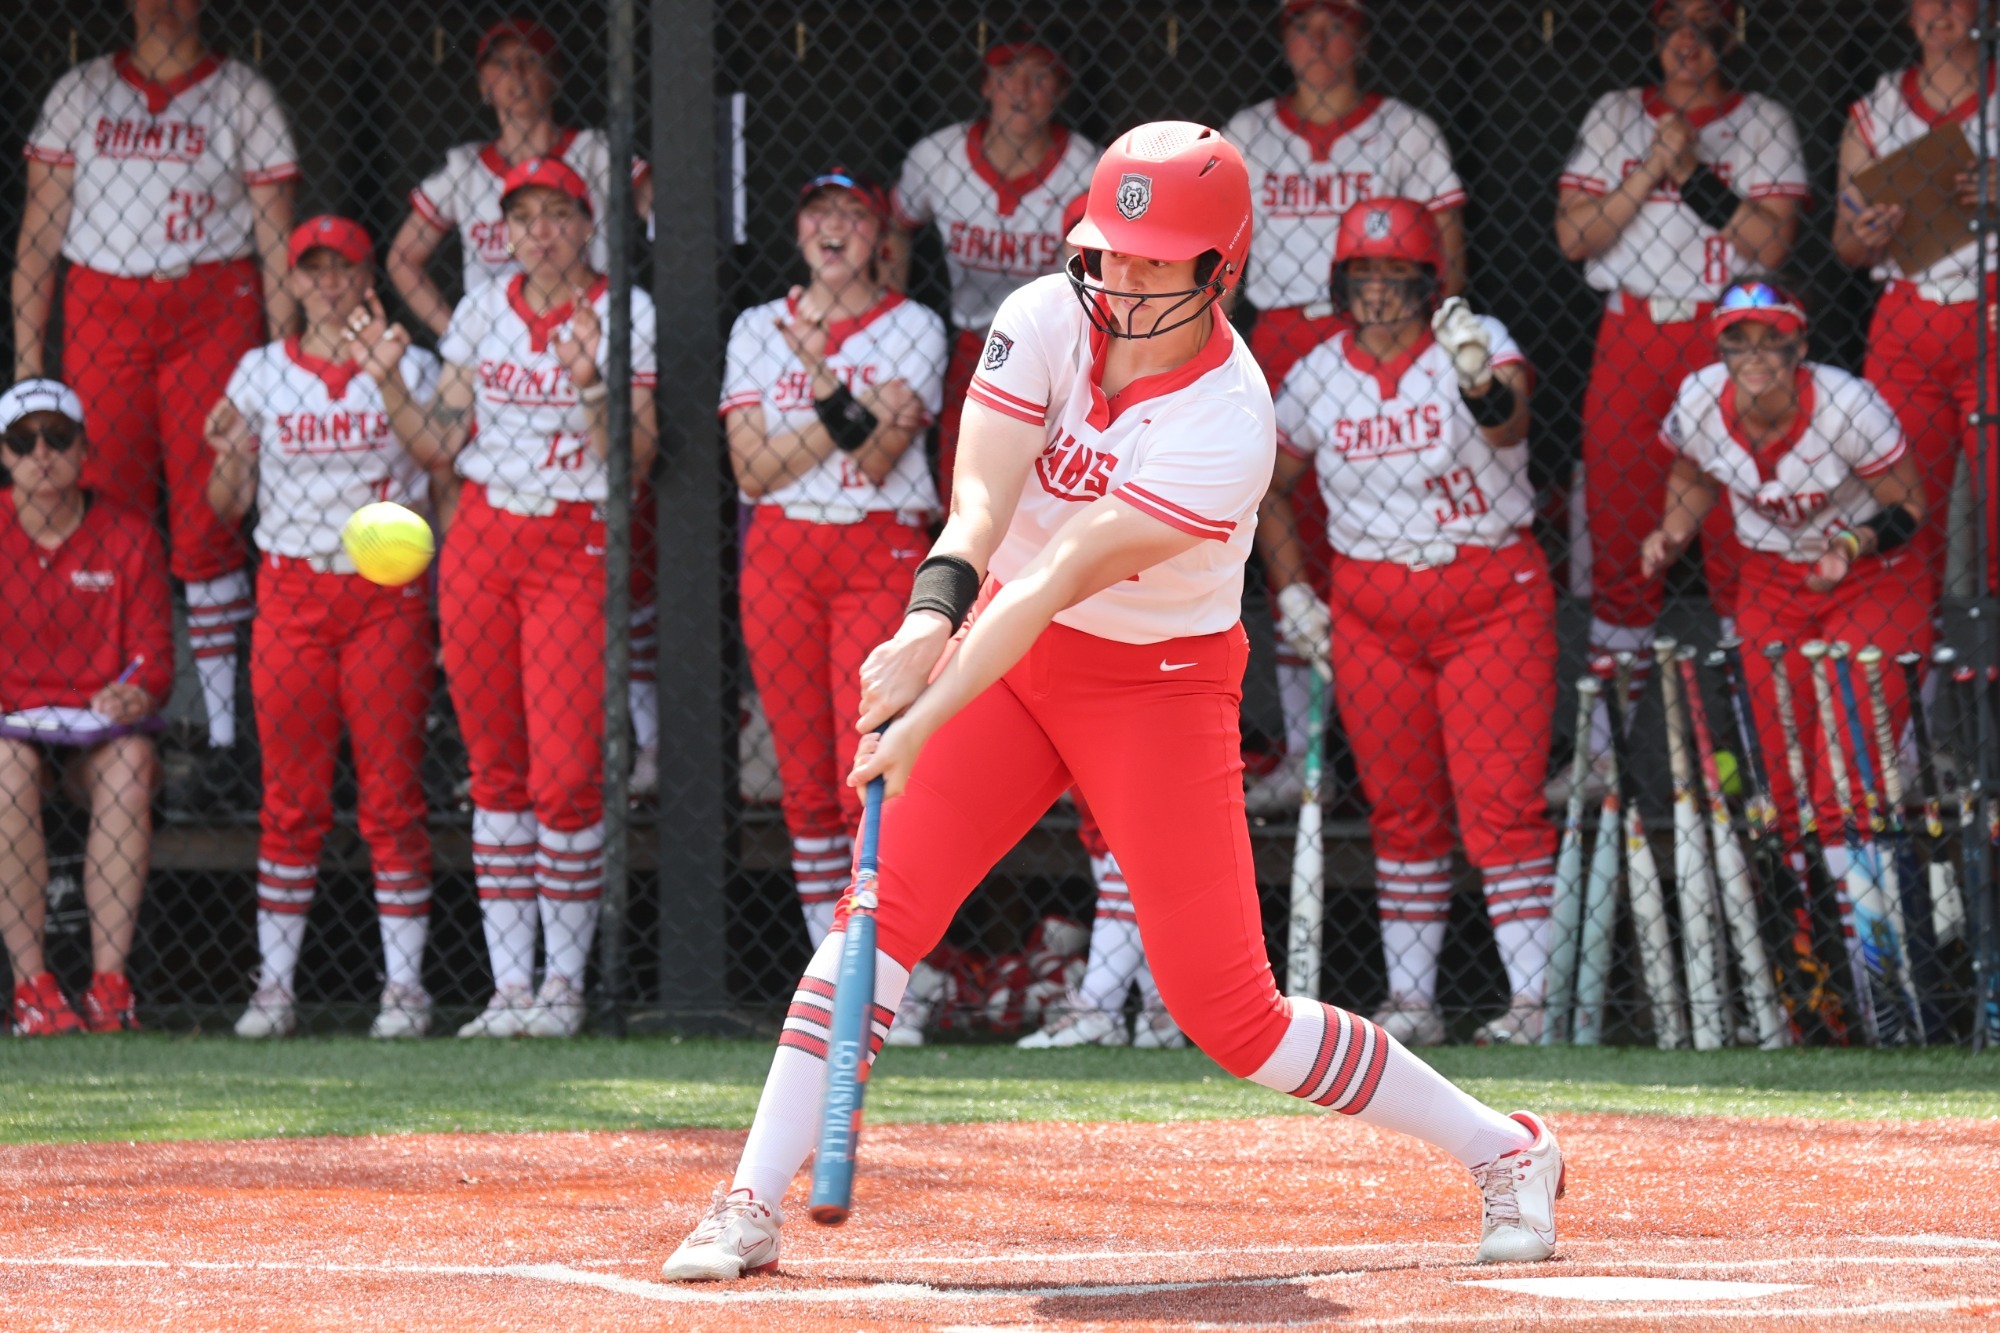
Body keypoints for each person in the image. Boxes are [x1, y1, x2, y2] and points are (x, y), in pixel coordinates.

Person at [662, 122, 1562, 1281]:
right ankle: (747, 1198)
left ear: (1218, 270)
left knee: (1231, 1016)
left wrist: (922, 710)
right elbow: (980, 521)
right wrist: (923, 627)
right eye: (1109, 251)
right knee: (877, 921)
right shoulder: (1041, 319)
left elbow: (1051, 578)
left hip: (1157, 683)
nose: (1121, 278)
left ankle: (1505, 1149)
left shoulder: (1227, 420)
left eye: (1154, 259)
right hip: (1007, 658)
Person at [356, 157, 658, 1039]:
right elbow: (442, 442)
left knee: (565, 773)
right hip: (484, 537)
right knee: (495, 772)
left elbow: (634, 456)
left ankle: (563, 987)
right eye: (522, 217)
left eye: (556, 214)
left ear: (584, 221)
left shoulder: (623, 310)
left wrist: (590, 379)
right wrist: (386, 381)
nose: (539, 232)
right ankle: (509, 990)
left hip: (574, 536)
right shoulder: (485, 307)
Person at [1260, 199, 1552, 1047]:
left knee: (1500, 804)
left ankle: (1530, 1001)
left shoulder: (1475, 333)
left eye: (1395, 276)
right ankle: (1412, 1000)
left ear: (1427, 282)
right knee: (1402, 808)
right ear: (1341, 283)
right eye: (1364, 276)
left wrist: (1478, 382)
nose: (1379, 292)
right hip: (1372, 610)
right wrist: (1292, 593)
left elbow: (1510, 425)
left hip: (1489, 591)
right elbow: (1270, 489)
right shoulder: (1317, 373)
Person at [13, 0, 300, 810]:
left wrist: (282, 360)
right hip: (105, 304)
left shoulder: (242, 93)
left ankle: (221, 737)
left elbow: (277, 239)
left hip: (212, 301)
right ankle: (107, 709)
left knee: (214, 516)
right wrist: (30, 373)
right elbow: (39, 235)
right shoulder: (82, 92)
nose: (165, 5)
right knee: (114, 511)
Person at [388, 17, 663, 793]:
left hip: (589, 343)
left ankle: (639, 730)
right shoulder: (464, 171)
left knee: (630, 557)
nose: (515, 78)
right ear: (481, 82)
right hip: (500, 349)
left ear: (554, 75)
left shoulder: (597, 153)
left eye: (530, 63)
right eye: (500, 66)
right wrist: (463, 337)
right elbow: (403, 255)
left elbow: (664, 211)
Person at [1554, 0, 1807, 795]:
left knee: (1743, 544)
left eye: (1706, 25)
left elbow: (1770, 244)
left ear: (1731, 35)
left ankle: (1761, 756)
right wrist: (1651, 168)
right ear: (1655, 35)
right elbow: (1573, 236)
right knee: (1625, 539)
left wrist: (1694, 174)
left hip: (1733, 340)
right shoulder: (1616, 113)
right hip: (1633, 334)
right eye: (1673, 26)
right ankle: (1601, 755)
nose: (1688, 42)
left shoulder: (1759, 117)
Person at [1228, 0, 1469, 813]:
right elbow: (1222, 255)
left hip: (1378, 328)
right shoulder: (1249, 130)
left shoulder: (1405, 128)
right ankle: (1307, 755)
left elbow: (1448, 253)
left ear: (1362, 37)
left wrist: (1438, 343)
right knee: (1272, 532)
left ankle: (1375, 745)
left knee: (1358, 539)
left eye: (1335, 25)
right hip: (1279, 334)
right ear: (1284, 39)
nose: (1319, 41)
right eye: (1302, 25)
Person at [205, 217, 438, 1041]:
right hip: (292, 594)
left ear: (366, 272)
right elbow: (225, 506)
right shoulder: (261, 372)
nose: (331, 283)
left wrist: (389, 385)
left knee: (390, 798)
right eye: (315, 270)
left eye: (344, 268)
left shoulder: (409, 360)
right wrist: (230, 453)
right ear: (295, 280)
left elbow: (442, 462)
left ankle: (405, 988)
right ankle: (274, 987)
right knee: (291, 799)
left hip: (384, 598)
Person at [722, 169, 945, 948]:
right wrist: (846, 405)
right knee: (804, 780)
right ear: (798, 228)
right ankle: (828, 966)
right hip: (780, 549)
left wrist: (818, 386)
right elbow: (749, 470)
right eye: (820, 209)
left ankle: (877, 961)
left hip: (877, 543)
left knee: (872, 769)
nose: (835, 225)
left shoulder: (914, 323)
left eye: (855, 213)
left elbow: (883, 456)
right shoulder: (756, 325)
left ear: (879, 236)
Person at [1641, 279, 1928, 855]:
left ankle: (1860, 936)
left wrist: (1848, 545)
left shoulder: (1849, 404)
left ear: (1799, 344)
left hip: (1873, 579)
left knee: (1846, 786)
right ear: (1719, 348)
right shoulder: (1699, 398)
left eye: (1771, 340)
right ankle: (1808, 937)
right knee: (1782, 784)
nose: (1754, 356)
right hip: (1771, 582)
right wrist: (1673, 531)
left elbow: (1910, 508)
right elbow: (1692, 474)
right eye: (1738, 341)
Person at [0, 380, 173, 1035]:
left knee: (133, 762)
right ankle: (32, 986)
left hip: (97, 732)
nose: (41, 453)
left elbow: (156, 655)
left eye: (57, 437)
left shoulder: (129, 534)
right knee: (5, 769)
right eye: (23, 440)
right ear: (5, 455)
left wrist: (138, 689)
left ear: (84, 447)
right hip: (13, 727)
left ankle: (109, 984)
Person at [890, 34, 1098, 496]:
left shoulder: (1088, 166)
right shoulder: (936, 157)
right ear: (985, 87)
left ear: (1060, 94)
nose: (1021, 90)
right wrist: (891, 315)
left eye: (1040, 77)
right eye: (1007, 76)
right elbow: (897, 223)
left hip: (1057, 351)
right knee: (963, 485)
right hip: (973, 341)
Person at [1834, 0, 1994, 596]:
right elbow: (1844, 244)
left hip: (1993, 307)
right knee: (1903, 512)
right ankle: (1913, 683)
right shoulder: (1877, 107)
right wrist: (1866, 232)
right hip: (1907, 315)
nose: (1943, 8)